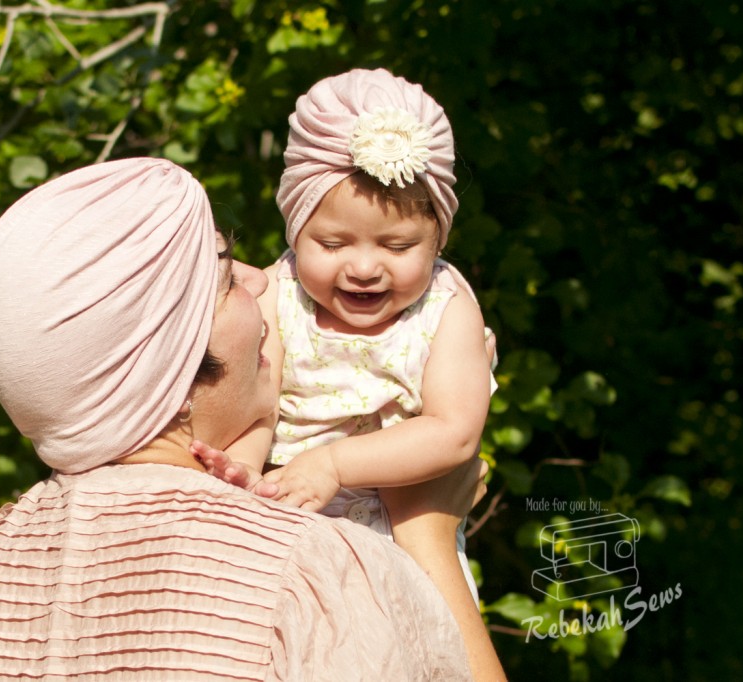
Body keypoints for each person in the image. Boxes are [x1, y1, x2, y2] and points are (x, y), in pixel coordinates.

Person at [0, 157, 487, 681]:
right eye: (225, 281)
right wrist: (427, 534)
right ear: (162, 368)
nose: (259, 278)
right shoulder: (309, 570)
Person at [192, 68, 505, 681]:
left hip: (401, 528)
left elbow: (454, 433)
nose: (364, 268)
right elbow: (262, 403)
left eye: (397, 247)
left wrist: (336, 465)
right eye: (332, 244)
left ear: (438, 236)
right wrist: (249, 471)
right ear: (294, 229)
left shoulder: (447, 307)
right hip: (286, 516)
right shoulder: (280, 293)